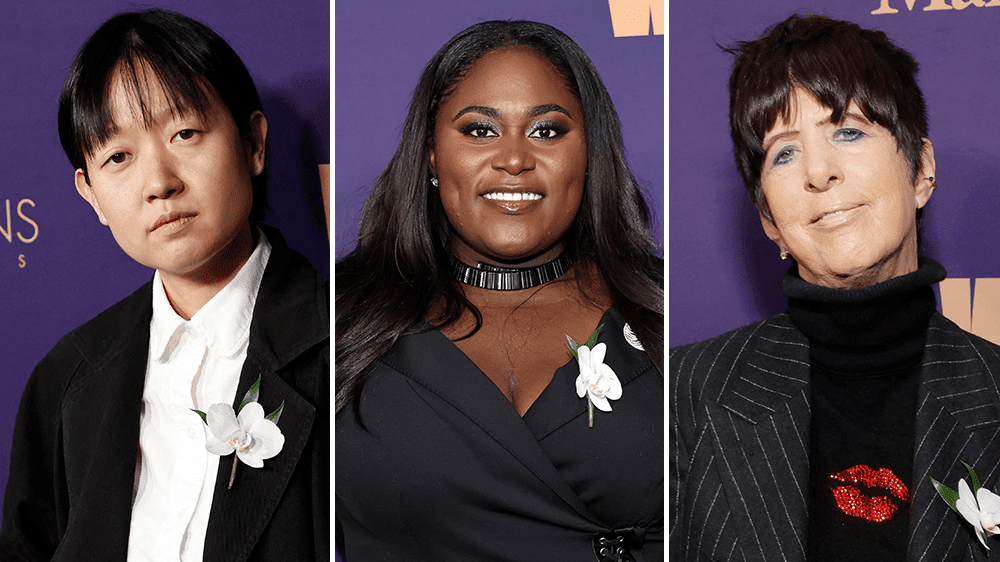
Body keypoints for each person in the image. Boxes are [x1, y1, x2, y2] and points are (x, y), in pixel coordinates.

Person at [0, 9, 329, 561]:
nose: (159, 182)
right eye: (118, 156)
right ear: (91, 195)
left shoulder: (343, 346)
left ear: (253, 143)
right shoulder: (65, 379)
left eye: (185, 133)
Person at [670, 14, 1000, 562]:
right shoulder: (683, 397)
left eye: (847, 131)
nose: (818, 172)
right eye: (784, 151)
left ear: (920, 169)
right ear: (769, 220)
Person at [336, 20, 663, 561]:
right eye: (480, 130)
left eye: (548, 130)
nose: (514, 159)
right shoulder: (343, 319)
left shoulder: (659, 314)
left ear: (589, 154)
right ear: (432, 155)